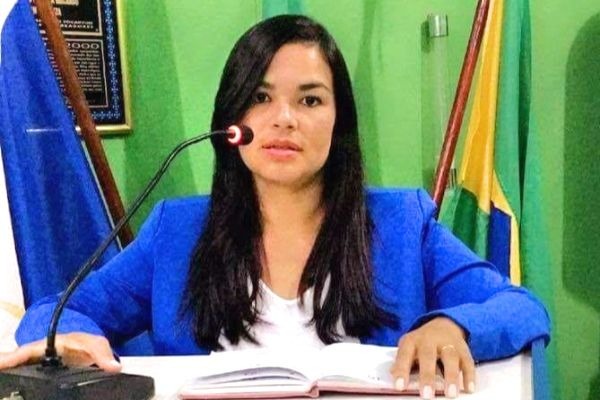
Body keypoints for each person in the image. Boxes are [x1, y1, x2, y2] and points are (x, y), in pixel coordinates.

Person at [0, 15, 549, 399]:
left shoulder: (403, 223)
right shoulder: (177, 231)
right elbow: (58, 313)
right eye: (260, 97)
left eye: (310, 99)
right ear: (231, 120)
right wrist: (66, 337)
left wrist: (454, 326)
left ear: (338, 121)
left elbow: (521, 308)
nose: (284, 118)